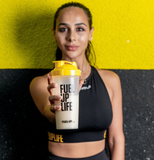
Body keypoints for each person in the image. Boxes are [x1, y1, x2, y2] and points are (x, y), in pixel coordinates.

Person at [30, 2, 125, 160]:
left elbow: (116, 139)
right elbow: (49, 112)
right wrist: (56, 110)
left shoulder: (110, 80)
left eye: (80, 29)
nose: (71, 37)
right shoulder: (42, 83)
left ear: (90, 33)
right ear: (54, 34)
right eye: (63, 29)